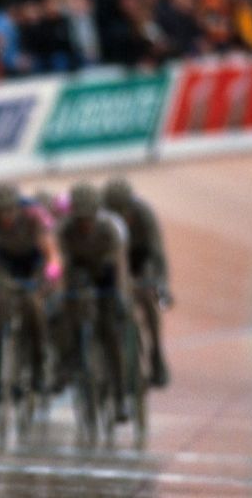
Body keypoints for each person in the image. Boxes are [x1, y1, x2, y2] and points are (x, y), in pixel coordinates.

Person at [0, 183, 62, 402]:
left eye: (10, 211)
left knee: (33, 303)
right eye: (1, 212)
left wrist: (52, 269)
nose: (5, 216)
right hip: (6, 263)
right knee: (0, 310)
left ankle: (39, 365)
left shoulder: (34, 214)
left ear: (18, 207)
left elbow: (50, 250)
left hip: (34, 262)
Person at [56, 182, 133, 422]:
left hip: (106, 274)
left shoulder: (110, 228)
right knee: (64, 317)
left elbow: (120, 266)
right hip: (78, 272)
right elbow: (59, 263)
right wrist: (59, 293)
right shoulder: (64, 229)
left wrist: (120, 295)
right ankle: (67, 364)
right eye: (80, 219)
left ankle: (120, 398)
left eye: (89, 218)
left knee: (110, 332)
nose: (85, 224)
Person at [102, 177, 172, 387]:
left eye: (124, 211)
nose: (121, 217)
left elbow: (157, 253)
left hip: (140, 260)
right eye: (115, 212)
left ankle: (156, 355)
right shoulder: (102, 218)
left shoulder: (144, 214)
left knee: (149, 301)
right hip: (113, 260)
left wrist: (161, 284)